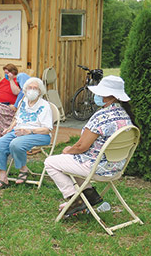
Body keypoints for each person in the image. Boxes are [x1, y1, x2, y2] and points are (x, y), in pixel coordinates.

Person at [44, 76, 135, 215]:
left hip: (97, 167)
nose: (96, 96)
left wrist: (68, 150)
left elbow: (82, 146)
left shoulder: (101, 116)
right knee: (73, 161)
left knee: (50, 162)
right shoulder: (126, 115)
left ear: (106, 96)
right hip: (116, 166)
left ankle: (74, 200)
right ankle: (91, 196)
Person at [0, 77, 53, 190]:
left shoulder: (45, 105)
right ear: (25, 89)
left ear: (40, 91)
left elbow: (47, 129)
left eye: (35, 88)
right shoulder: (22, 101)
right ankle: (3, 178)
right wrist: (9, 128)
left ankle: (23, 169)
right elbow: (16, 118)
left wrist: (29, 131)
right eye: (30, 87)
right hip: (19, 132)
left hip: (39, 134)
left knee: (16, 144)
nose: (32, 90)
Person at [0, 63, 21, 141]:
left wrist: (11, 80)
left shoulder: (17, 81)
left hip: (8, 106)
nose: (6, 75)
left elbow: (16, 92)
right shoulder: (4, 80)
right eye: (5, 73)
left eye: (7, 73)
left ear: (13, 72)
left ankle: (2, 137)